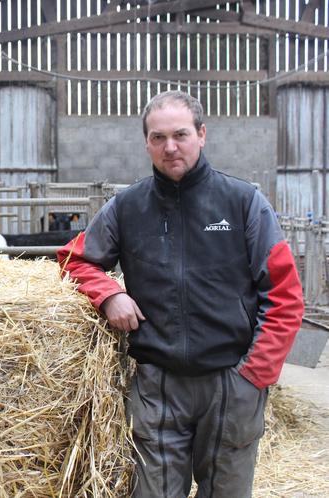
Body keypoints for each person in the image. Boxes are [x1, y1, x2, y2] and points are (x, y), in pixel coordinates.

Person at [57, 90, 304, 498]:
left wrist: (255, 375)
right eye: (158, 138)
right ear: (146, 142)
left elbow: (284, 294)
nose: (170, 147)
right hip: (158, 384)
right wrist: (108, 295)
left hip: (230, 380)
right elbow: (74, 259)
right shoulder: (128, 206)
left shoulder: (243, 203)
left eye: (181, 134)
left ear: (202, 135)